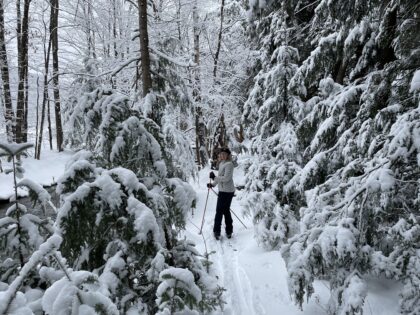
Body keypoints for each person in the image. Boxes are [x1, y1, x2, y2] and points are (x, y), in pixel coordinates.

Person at [207, 147, 235, 240]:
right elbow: (220, 177)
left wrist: (214, 178)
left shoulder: (229, 164)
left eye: (224, 154)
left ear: (228, 155)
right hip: (222, 190)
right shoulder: (222, 163)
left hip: (227, 191)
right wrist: (213, 184)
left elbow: (226, 178)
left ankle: (217, 231)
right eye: (221, 154)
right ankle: (229, 230)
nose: (222, 155)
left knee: (220, 211)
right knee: (225, 210)